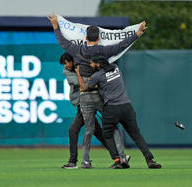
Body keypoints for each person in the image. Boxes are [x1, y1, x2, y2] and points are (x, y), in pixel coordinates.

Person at [48, 12, 145, 168]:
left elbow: (63, 43)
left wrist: (55, 25)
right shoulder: (103, 51)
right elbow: (121, 45)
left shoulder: (76, 49)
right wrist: (137, 34)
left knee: (89, 129)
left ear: (86, 37)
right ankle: (121, 157)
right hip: (100, 93)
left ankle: (85, 161)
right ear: (99, 38)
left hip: (85, 95)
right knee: (111, 127)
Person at [75, 55, 162, 169]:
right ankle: (150, 160)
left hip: (111, 109)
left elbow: (83, 88)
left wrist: (78, 73)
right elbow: (106, 81)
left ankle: (118, 161)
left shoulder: (97, 76)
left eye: (92, 63)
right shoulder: (115, 68)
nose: (91, 65)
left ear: (98, 64)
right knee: (136, 134)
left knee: (107, 134)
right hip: (126, 107)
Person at [60, 53, 129, 169]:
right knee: (97, 132)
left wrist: (89, 80)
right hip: (82, 103)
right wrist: (89, 80)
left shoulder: (82, 67)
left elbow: (91, 82)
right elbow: (80, 83)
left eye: (66, 63)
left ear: (71, 61)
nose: (65, 66)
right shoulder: (67, 72)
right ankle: (119, 157)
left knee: (80, 131)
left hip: (89, 102)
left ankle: (74, 162)